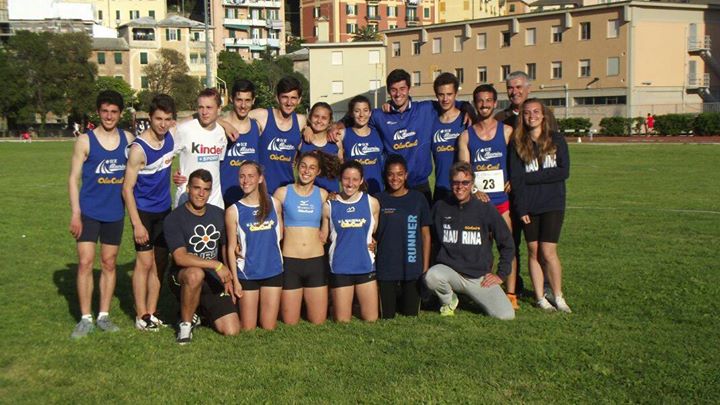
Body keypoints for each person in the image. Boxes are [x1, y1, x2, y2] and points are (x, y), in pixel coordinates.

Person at [67, 90, 133, 338]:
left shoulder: (128, 139)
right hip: (89, 212)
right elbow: (73, 179)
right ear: (98, 112)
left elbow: (141, 167)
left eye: (114, 112)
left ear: (120, 114)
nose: (109, 116)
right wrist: (76, 213)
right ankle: (85, 318)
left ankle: (103, 315)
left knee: (109, 263)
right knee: (85, 262)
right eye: (105, 111)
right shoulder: (85, 141)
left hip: (114, 212)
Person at [424, 161, 515, 320]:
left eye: (465, 182)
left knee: (506, 315)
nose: (460, 187)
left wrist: (501, 275)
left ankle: (473, 296)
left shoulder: (485, 208)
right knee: (432, 276)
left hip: (478, 277)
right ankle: (449, 300)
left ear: (472, 184)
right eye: (456, 182)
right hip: (450, 272)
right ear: (450, 183)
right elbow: (429, 239)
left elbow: (507, 243)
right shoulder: (440, 207)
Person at [457, 84, 518, 309]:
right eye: (480, 101)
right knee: (482, 251)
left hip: (502, 202)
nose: (484, 104)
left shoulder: (507, 132)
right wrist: (474, 190)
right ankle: (485, 291)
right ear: (475, 103)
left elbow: (517, 163)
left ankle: (511, 293)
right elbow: (464, 170)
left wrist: (514, 179)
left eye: (488, 100)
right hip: (479, 203)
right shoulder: (466, 136)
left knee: (507, 246)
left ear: (495, 103)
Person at [164, 169, 240, 344]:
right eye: (196, 188)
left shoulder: (218, 214)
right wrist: (216, 265)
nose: (201, 194)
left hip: (212, 278)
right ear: (188, 189)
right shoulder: (174, 218)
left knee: (232, 330)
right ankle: (185, 325)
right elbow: (180, 257)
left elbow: (224, 247)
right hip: (183, 276)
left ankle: (200, 312)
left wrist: (229, 277)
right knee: (195, 274)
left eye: (206, 189)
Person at [509, 99, 571, 313]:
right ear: (522, 117)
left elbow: (563, 171)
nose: (532, 116)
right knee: (533, 250)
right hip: (529, 205)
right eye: (527, 113)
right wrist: (521, 208)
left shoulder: (556, 139)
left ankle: (558, 295)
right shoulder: (517, 142)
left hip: (553, 203)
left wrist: (531, 176)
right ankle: (539, 297)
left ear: (543, 115)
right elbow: (516, 179)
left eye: (536, 112)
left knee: (548, 251)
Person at [122, 94, 176, 331]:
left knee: (160, 263)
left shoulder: (171, 137)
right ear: (150, 118)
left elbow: (201, 117)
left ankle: (152, 313)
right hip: (143, 213)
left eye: (167, 119)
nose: (163, 124)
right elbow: (127, 188)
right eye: (158, 119)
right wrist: (137, 224)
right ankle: (140, 315)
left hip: (164, 211)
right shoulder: (139, 149)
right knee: (144, 263)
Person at [273, 152, 331, 325]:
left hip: (316, 261)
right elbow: (268, 224)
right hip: (290, 261)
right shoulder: (282, 193)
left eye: (312, 168)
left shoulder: (323, 195)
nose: (306, 171)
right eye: (303, 166)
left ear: (318, 172)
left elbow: (336, 221)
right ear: (297, 167)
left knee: (318, 321)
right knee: (290, 322)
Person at [226, 161, 284, 330]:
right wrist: (235, 280)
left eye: (251, 176)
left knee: (268, 326)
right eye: (242, 176)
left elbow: (280, 236)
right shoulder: (233, 211)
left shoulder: (275, 204)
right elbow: (231, 248)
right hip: (248, 273)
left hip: (273, 270)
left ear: (260, 179)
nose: (246, 181)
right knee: (248, 328)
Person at [321, 161, 380, 322]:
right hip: (340, 266)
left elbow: (373, 233)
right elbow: (323, 237)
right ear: (340, 179)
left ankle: (352, 302)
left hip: (365, 265)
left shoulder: (372, 203)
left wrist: (374, 243)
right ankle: (336, 303)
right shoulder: (329, 205)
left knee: (371, 319)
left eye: (355, 179)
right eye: (346, 179)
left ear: (361, 180)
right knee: (342, 321)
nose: (350, 183)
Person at [374, 155, 431, 318]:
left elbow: (426, 235)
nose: (395, 178)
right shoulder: (378, 199)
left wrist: (425, 267)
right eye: (391, 174)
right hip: (386, 267)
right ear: (385, 176)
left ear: (406, 175)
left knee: (411, 314)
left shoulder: (418, 199)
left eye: (399, 174)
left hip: (411, 266)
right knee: (387, 315)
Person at [250, 76, 307, 194]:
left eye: (293, 98)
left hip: (287, 190)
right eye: (285, 97)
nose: (289, 102)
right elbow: (232, 117)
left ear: (299, 100)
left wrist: (309, 129)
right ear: (277, 97)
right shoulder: (263, 115)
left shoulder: (301, 121)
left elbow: (323, 125)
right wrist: (226, 124)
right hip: (262, 190)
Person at [173, 88, 228, 209]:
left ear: (219, 109)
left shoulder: (221, 133)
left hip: (214, 202)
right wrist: (174, 174)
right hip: (187, 200)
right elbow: (166, 156)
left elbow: (218, 164)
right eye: (201, 107)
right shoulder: (184, 130)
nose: (204, 112)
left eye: (209, 107)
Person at [219, 79, 261, 207]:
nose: (243, 105)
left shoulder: (257, 126)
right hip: (223, 199)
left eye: (247, 100)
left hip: (250, 199)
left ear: (253, 101)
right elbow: (201, 117)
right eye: (239, 100)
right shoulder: (220, 127)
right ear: (231, 99)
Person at [337, 95, 384, 195]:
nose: (361, 115)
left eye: (365, 110)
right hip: (353, 191)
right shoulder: (342, 134)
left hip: (377, 190)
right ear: (351, 113)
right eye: (357, 111)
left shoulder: (379, 133)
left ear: (370, 113)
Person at [431, 73, 465, 203]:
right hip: (441, 188)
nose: (445, 99)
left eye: (449, 94)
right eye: (441, 94)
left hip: (463, 188)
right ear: (436, 95)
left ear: (456, 94)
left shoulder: (466, 120)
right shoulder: (432, 123)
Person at [299, 102, 341, 193]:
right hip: (307, 195)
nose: (319, 121)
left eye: (324, 118)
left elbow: (341, 167)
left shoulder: (336, 141)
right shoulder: (301, 141)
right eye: (316, 116)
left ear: (330, 121)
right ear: (310, 117)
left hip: (332, 194)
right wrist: (306, 127)